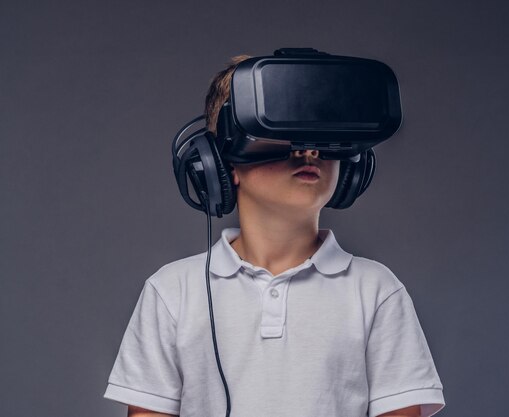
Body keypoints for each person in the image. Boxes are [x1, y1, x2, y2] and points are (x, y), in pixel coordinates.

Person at [103, 55, 445, 417]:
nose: (309, 151)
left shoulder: (376, 290)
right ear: (222, 164)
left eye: (322, 135)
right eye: (281, 130)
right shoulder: (172, 291)